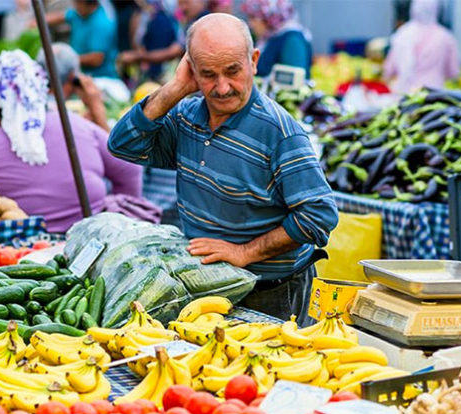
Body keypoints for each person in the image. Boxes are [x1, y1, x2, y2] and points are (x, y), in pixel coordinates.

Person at [108, 13, 338, 325]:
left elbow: (319, 216)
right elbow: (123, 144)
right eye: (208, 74)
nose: (222, 87)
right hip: (208, 290)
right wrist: (176, 88)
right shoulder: (186, 117)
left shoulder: (280, 133)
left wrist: (245, 252)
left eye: (233, 71)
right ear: (191, 69)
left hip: (272, 295)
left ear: (254, 61)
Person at [0, 50, 143, 233]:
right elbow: (130, 166)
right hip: (88, 238)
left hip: (18, 250)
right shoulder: (74, 124)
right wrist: (122, 222)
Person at [383, 0, 459, 94]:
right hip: (432, 96)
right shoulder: (446, 37)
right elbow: (453, 73)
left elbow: (388, 70)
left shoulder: (402, 34)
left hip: (403, 95)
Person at [37, 42, 110, 132]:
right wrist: (96, 108)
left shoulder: (33, 108)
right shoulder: (65, 119)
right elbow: (109, 144)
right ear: (73, 76)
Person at [46, 0, 118, 78]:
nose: (74, 5)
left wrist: (66, 59)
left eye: (77, 2)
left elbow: (96, 59)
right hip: (80, 74)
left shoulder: (102, 23)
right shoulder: (79, 14)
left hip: (100, 78)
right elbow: (58, 17)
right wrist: (34, 23)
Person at [242, 0, 312, 78]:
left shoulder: (292, 39)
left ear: (268, 17)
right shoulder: (268, 38)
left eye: (253, 18)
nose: (250, 24)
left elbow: (293, 81)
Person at [118, 0, 179, 81]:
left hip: (162, 75)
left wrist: (136, 56)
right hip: (143, 72)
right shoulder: (140, 13)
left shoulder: (161, 18)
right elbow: (137, 41)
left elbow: (171, 52)